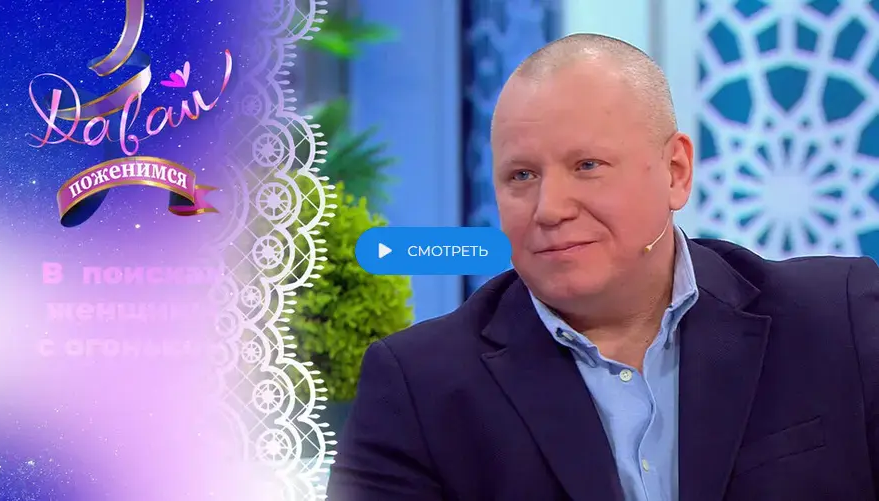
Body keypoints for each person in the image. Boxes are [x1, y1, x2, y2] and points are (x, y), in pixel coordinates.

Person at [326, 33, 879, 501]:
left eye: (587, 165)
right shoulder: (418, 387)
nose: (549, 209)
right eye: (521, 176)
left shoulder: (841, 320)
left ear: (676, 171)